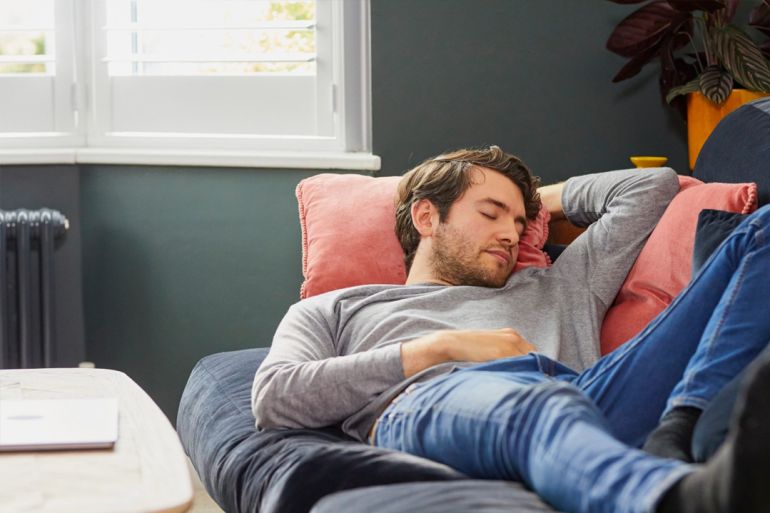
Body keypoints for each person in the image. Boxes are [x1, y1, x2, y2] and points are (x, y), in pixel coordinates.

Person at [252, 146, 770, 513]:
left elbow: (650, 185)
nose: (510, 233)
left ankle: (677, 427)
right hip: (437, 399)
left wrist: (537, 199)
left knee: (761, 233)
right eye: (491, 213)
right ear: (427, 217)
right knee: (538, 405)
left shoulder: (562, 284)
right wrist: (440, 347)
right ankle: (673, 499)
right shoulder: (340, 306)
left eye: (520, 223)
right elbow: (275, 396)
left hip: (592, 393)